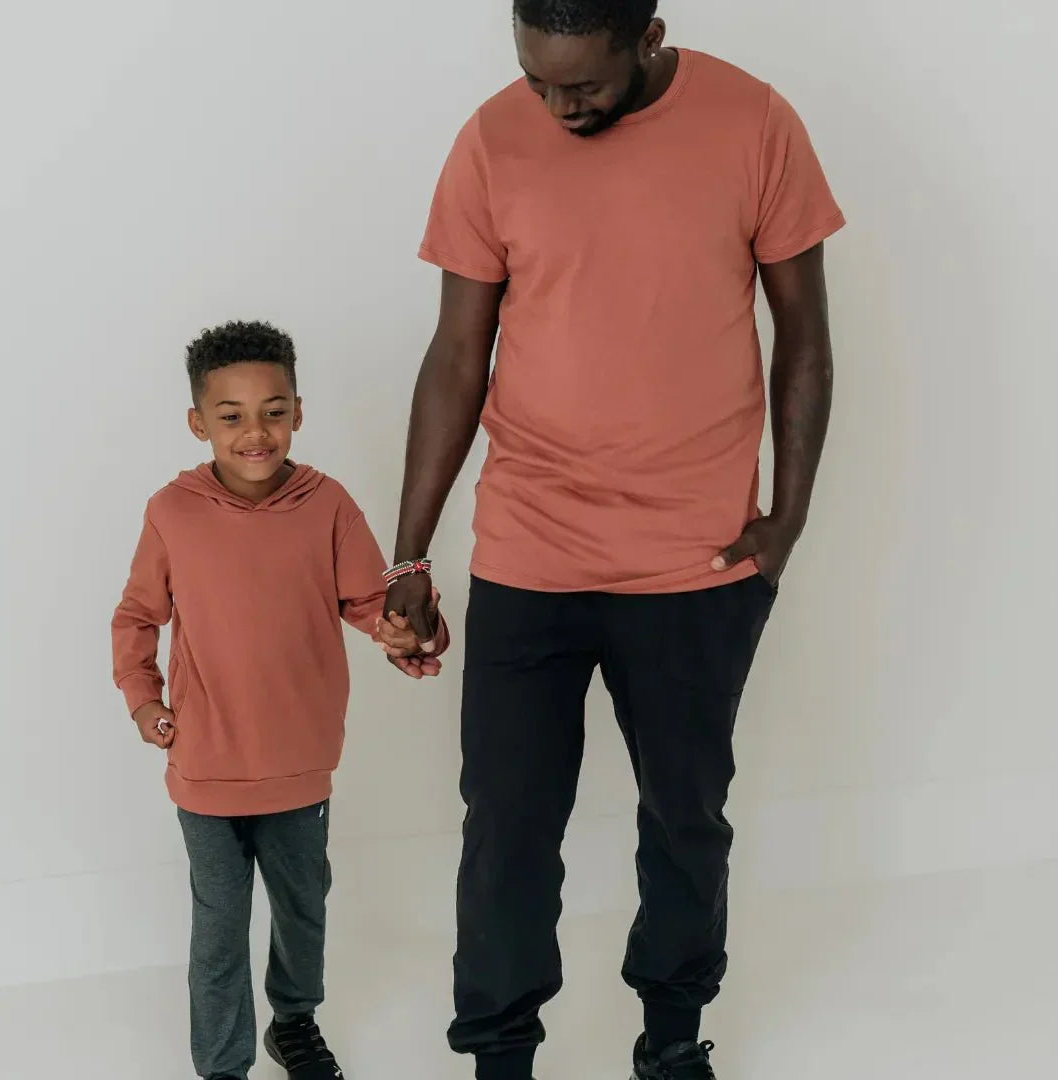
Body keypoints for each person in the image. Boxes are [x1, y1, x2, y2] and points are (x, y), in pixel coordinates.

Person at [383, 2, 845, 1077]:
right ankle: (500, 1054)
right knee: (506, 829)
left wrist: (789, 519)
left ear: (648, 36)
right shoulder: (495, 138)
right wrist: (409, 555)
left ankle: (673, 1041)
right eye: (537, 80)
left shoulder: (754, 122)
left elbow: (807, 340)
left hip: (696, 561)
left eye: (581, 85)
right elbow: (458, 354)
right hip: (529, 551)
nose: (556, 104)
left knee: (685, 818)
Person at [112, 320, 448, 1080]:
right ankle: (224, 1063)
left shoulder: (327, 504)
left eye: (273, 409)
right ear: (200, 424)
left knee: (303, 911)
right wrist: (144, 700)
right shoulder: (172, 512)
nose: (254, 431)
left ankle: (294, 1022)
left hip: (300, 762)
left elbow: (372, 602)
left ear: (299, 410)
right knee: (219, 926)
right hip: (206, 762)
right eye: (230, 416)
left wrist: (406, 635)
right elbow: (136, 617)